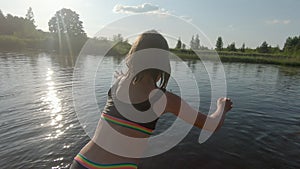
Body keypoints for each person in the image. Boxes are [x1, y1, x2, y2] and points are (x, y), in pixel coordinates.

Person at [70, 30, 233, 169]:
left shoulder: (118, 84)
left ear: (134, 54)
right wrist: (222, 107)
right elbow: (212, 124)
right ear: (163, 62)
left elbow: (130, 82)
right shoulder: (164, 99)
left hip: (80, 162)